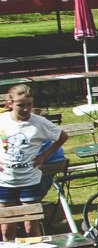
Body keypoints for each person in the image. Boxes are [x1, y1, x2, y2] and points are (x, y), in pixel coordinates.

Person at [0, 85, 66, 239]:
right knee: (7, 229)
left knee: (31, 228)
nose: (26, 109)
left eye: (29, 104)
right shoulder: (2, 120)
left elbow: (62, 137)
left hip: (30, 181)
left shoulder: (39, 122)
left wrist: (44, 156)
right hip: (5, 181)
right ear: (10, 104)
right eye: (21, 105)